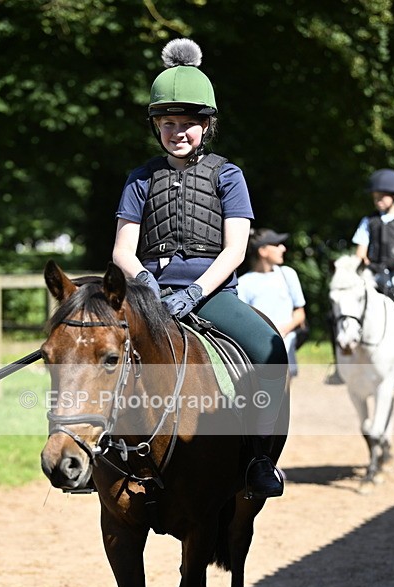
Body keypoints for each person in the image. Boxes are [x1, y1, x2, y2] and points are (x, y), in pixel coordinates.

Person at [111, 38, 288, 499]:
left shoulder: (228, 175)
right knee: (92, 351)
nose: (178, 132)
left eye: (188, 124)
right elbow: (123, 251)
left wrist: (194, 293)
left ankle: (259, 458)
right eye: (168, 123)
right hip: (150, 295)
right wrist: (147, 284)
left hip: (212, 295)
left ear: (206, 126)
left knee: (270, 354)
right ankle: (101, 456)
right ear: (156, 126)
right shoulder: (140, 178)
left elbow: (235, 249)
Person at [352, 168, 394, 344]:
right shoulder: (368, 222)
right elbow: (360, 254)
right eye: (375, 197)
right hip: (375, 282)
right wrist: (367, 264)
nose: (377, 200)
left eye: (381, 197)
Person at [237, 229, 307, 377]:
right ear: (262, 251)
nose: (283, 248)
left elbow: (300, 313)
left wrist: (283, 331)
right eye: (276, 244)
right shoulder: (243, 284)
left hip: (287, 348)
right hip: (259, 353)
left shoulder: (288, 274)